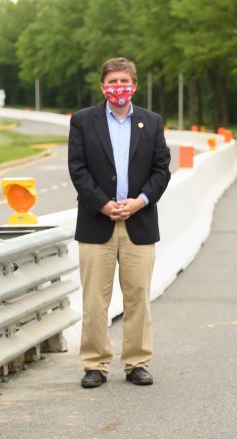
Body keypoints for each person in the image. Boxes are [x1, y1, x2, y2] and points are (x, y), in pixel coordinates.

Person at [68, 57, 171, 389]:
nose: (118, 88)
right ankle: (95, 364)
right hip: (96, 222)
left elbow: (161, 170)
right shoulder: (84, 121)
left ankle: (136, 362)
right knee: (95, 299)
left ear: (135, 85)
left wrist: (139, 201)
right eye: (112, 82)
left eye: (124, 81)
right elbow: (77, 168)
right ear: (102, 86)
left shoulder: (151, 122)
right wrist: (102, 203)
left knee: (138, 296)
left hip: (139, 222)